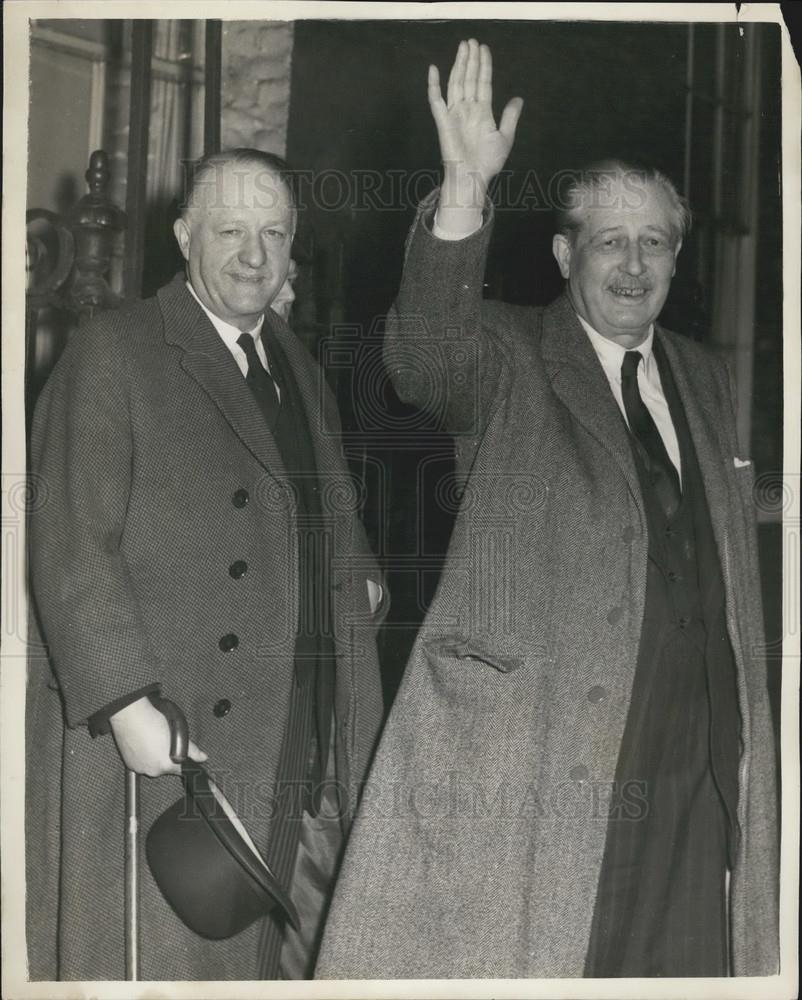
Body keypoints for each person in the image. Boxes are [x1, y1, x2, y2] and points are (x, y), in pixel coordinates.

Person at [315, 40, 779, 978]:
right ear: (566, 252)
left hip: (698, 748)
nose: (635, 263)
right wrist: (462, 194)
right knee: (562, 957)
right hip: (547, 744)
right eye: (611, 239)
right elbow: (424, 355)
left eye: (655, 242)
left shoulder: (705, 373)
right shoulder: (510, 354)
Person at [26, 148, 385, 981]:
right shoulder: (117, 350)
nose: (254, 255)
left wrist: (360, 573)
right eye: (230, 230)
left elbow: (321, 505)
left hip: (295, 731)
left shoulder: (294, 360)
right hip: (172, 731)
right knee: (165, 964)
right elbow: (71, 540)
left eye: (273, 233)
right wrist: (122, 700)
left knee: (280, 961)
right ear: (185, 235)